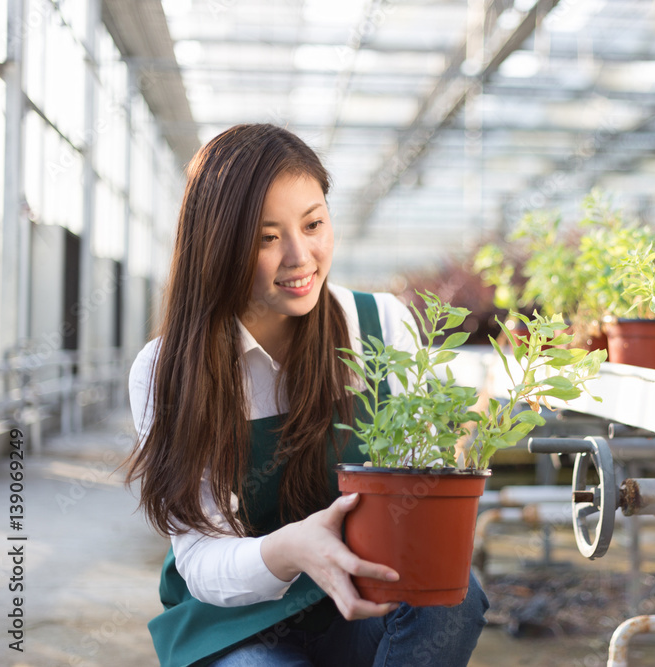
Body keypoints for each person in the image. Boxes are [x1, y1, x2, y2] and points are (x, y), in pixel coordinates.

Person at [125, 123, 489, 667]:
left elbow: (418, 490)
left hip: (361, 602)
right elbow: (200, 559)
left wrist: (453, 458)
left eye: (313, 223)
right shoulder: (167, 371)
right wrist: (294, 548)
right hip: (237, 622)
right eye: (267, 237)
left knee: (457, 596)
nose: (301, 257)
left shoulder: (380, 325)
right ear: (218, 245)